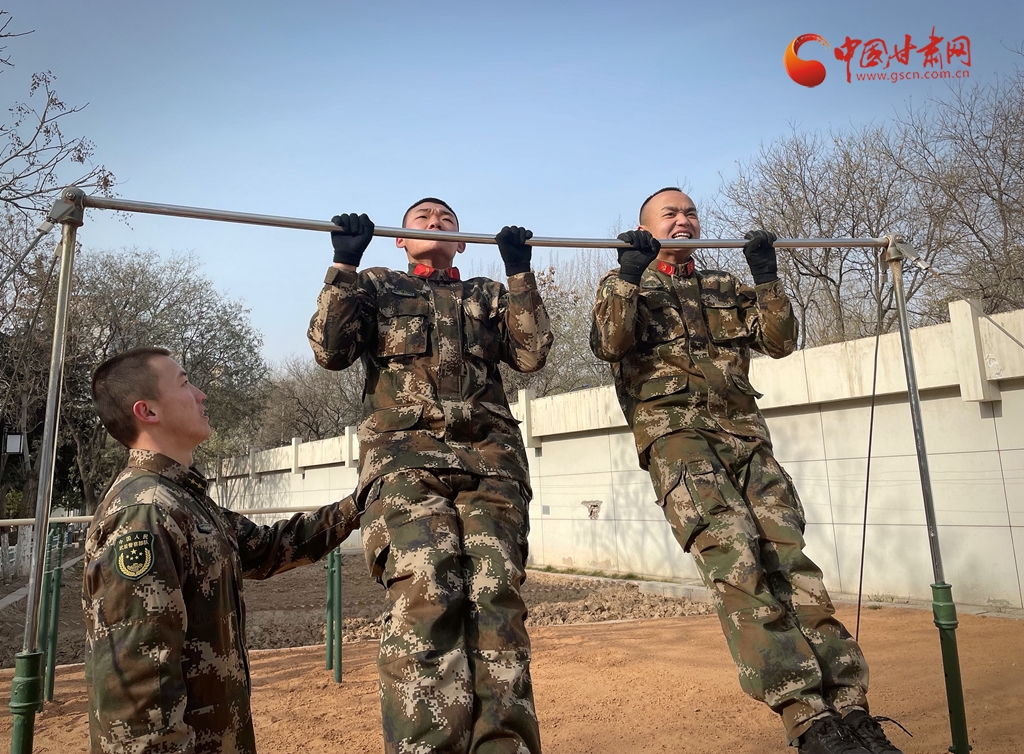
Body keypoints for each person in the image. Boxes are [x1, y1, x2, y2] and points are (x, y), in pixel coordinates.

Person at [589, 188, 905, 754]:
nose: (683, 220)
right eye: (669, 214)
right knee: (738, 565)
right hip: (678, 438)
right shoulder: (626, 283)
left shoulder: (723, 285)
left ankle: (851, 710)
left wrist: (766, 277)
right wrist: (628, 275)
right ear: (645, 226)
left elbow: (780, 342)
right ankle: (809, 719)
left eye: (690, 212)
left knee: (792, 561)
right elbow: (610, 343)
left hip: (746, 438)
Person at [307, 198, 552, 754]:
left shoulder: (487, 294)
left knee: (496, 603)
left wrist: (519, 273)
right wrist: (344, 265)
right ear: (399, 238)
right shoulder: (377, 286)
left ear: (462, 243)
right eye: (422, 218)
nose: (435, 222)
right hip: (405, 463)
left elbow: (532, 354)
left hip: (490, 465)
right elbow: (330, 350)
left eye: (447, 220)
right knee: (427, 597)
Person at [84, 347, 361, 754]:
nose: (201, 394)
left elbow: (269, 548)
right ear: (147, 411)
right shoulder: (144, 514)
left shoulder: (182, 500)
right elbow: (140, 698)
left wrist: (358, 504)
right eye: (184, 384)